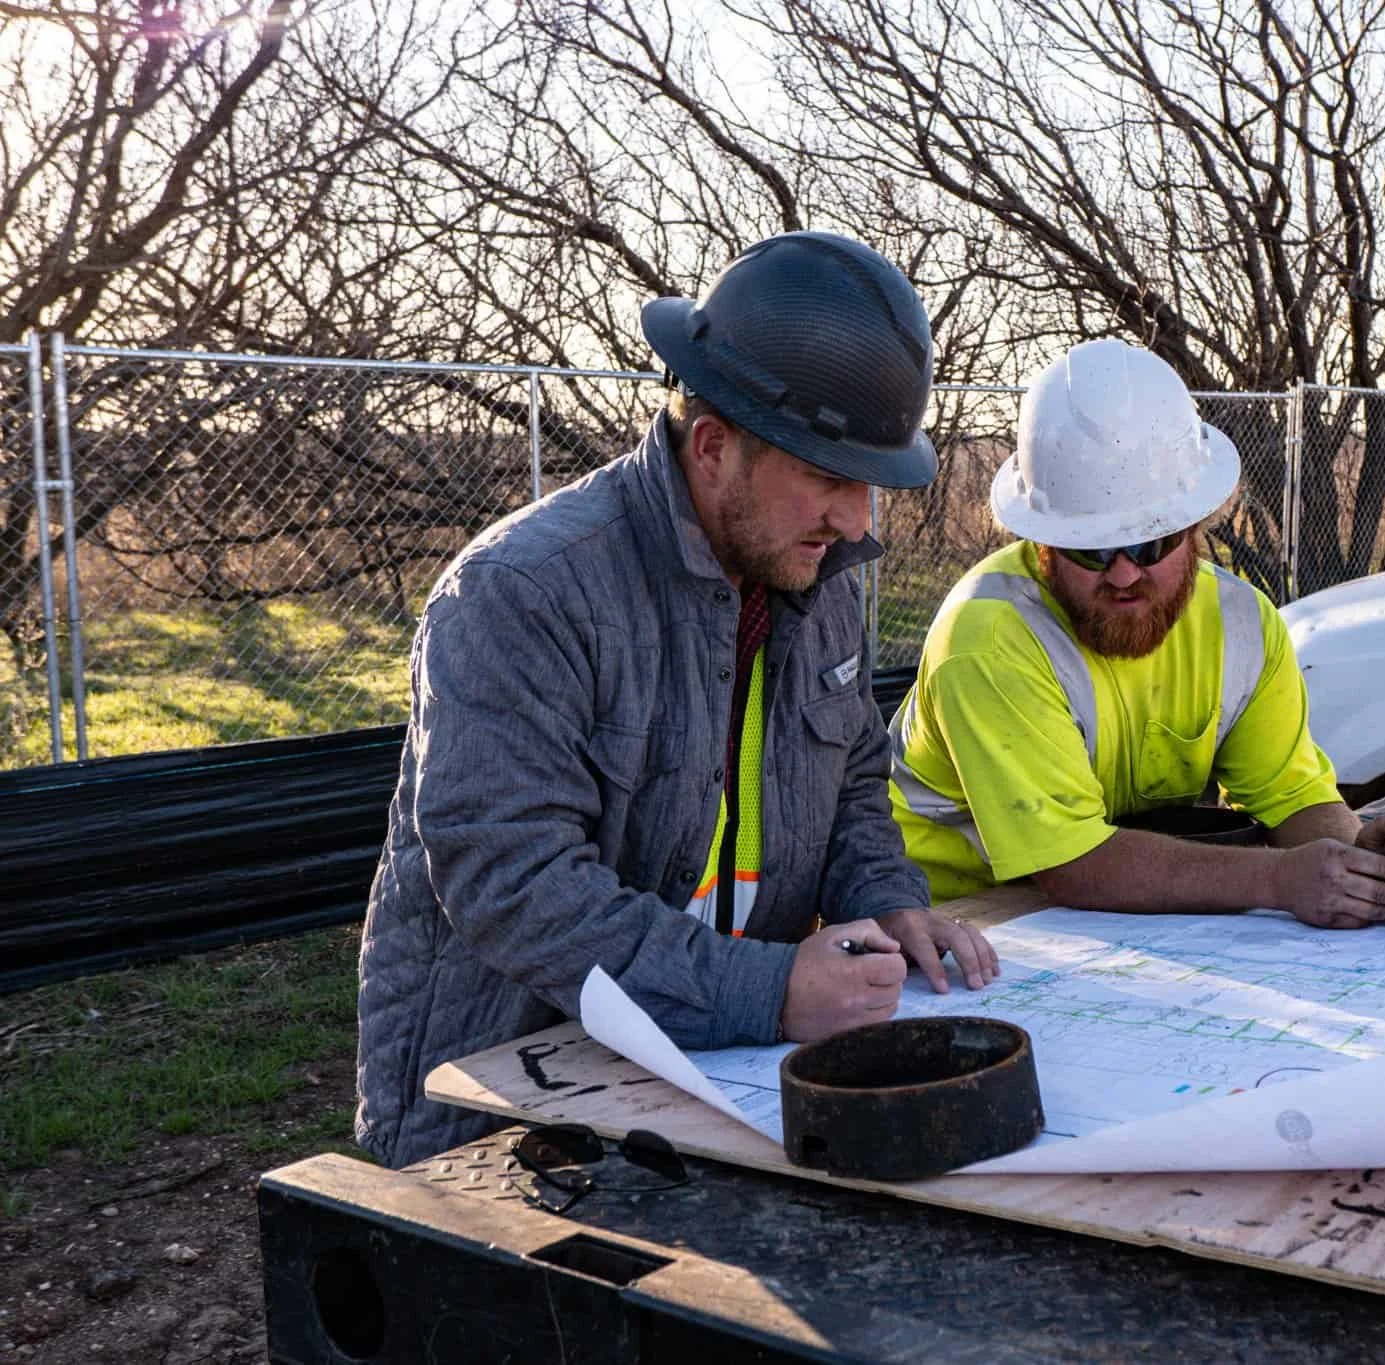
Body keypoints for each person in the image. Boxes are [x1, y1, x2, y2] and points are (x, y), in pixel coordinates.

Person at [357, 231, 998, 1168]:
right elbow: (516, 884)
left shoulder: (816, 574)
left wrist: (887, 898)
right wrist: (768, 990)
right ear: (711, 446)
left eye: (870, 486)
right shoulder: (524, 592)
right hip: (505, 1125)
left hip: (714, 1091)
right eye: (830, 478)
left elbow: (852, 770)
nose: (859, 521)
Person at [888, 338, 1385, 924]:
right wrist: (1280, 877)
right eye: (1091, 552)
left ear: (1195, 527)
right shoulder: (989, 635)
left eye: (1150, 543)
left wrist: (1358, 856)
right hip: (953, 927)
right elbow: (1073, 864)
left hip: (1108, 917)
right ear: (1043, 543)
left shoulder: (1241, 627)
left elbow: (1295, 798)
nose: (1125, 573)